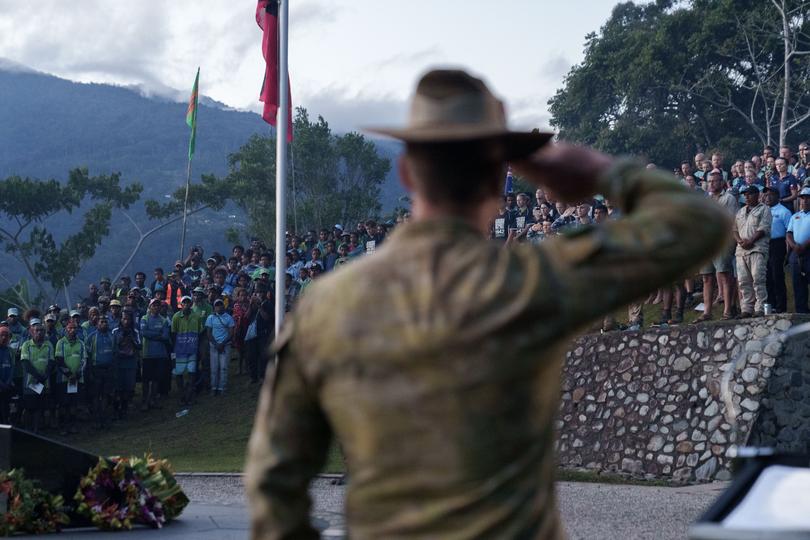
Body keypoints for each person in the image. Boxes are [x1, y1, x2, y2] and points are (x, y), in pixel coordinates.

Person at [245, 69, 728, 538]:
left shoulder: (326, 304)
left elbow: (273, 480)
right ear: (502, 176)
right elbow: (699, 223)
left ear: (407, 172)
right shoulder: (530, 282)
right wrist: (603, 171)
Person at [697, 170, 739, 321]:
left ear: (721, 182)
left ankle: (728, 310)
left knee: (723, 275)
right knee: (706, 277)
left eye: (715, 181)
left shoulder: (729, 198)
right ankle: (707, 312)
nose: (712, 184)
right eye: (709, 181)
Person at [733, 186, 771, 317]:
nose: (747, 197)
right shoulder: (740, 211)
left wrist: (750, 241)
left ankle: (760, 307)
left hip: (757, 249)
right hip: (741, 251)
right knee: (743, 281)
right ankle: (746, 309)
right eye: (745, 195)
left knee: (758, 279)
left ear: (757, 195)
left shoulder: (764, 209)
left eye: (749, 194)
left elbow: (763, 228)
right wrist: (739, 241)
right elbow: (734, 230)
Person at [20, 319, 54, 433]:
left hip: (44, 383)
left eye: (41, 330)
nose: (39, 332)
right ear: (31, 332)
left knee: (39, 408)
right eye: (36, 330)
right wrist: (38, 376)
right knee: (29, 408)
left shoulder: (48, 345)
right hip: (31, 383)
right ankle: (27, 430)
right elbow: (26, 364)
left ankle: (36, 430)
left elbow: (51, 362)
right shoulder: (26, 345)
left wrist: (44, 376)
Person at [54, 322, 86, 434]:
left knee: (74, 403)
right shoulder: (60, 343)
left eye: (74, 328)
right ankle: (63, 426)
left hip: (77, 379)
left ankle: (73, 425)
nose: (72, 330)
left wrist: (76, 374)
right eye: (70, 328)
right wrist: (69, 374)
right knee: (63, 404)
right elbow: (59, 360)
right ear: (66, 330)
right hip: (63, 379)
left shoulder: (81, 343)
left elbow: (84, 360)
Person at [139, 299, 171, 411]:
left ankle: (153, 400)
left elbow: (166, 336)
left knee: (156, 379)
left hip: (160, 354)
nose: (156, 307)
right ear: (150, 307)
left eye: (158, 305)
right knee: (146, 380)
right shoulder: (144, 318)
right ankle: (145, 401)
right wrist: (158, 334)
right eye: (154, 305)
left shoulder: (164, 320)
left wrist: (152, 334)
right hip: (147, 354)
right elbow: (144, 333)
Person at [171, 296, 201, 405]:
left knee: (192, 372)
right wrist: (173, 352)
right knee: (179, 373)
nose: (186, 304)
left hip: (192, 349)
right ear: (181, 304)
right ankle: (182, 396)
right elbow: (173, 334)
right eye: (184, 303)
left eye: (188, 302)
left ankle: (191, 395)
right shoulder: (176, 317)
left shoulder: (196, 316)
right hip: (179, 350)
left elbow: (199, 332)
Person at [765, 187, 791, 313]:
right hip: (765, 245)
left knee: (777, 276)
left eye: (771, 195)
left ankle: (781, 306)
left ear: (777, 196)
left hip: (778, 244)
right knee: (766, 276)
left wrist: (787, 252)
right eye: (766, 195)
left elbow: (789, 232)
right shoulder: (763, 210)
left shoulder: (784, 211)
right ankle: (771, 305)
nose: (767, 197)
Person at [86, 317, 116, 429]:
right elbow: (87, 355)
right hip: (96, 369)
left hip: (108, 369)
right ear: (97, 324)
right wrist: (90, 370)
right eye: (101, 322)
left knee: (105, 394)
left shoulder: (112, 336)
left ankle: (103, 416)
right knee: (95, 395)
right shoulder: (92, 337)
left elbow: (114, 353)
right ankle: (96, 418)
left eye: (105, 322)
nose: (104, 324)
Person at [205, 299, 235, 396]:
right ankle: (214, 388)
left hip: (225, 345)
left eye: (220, 305)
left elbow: (231, 333)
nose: (219, 307)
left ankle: (223, 387)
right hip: (214, 346)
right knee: (214, 368)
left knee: (224, 367)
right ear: (214, 307)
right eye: (217, 305)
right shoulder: (210, 318)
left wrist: (222, 343)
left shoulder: (229, 318)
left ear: (224, 306)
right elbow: (208, 333)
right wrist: (216, 344)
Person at [787, 188, 810, 313]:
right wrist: (794, 246)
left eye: (807, 197)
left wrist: (804, 245)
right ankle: (802, 312)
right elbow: (789, 233)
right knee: (798, 283)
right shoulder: (795, 216)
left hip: (808, 251)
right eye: (802, 197)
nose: (804, 200)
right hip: (796, 252)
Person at [0, 327, 14, 425]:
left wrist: (8, 382)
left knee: (6, 408)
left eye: (6, 336)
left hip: (7, 385)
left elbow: (12, 367)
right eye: (2, 335)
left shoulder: (10, 350)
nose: (4, 338)